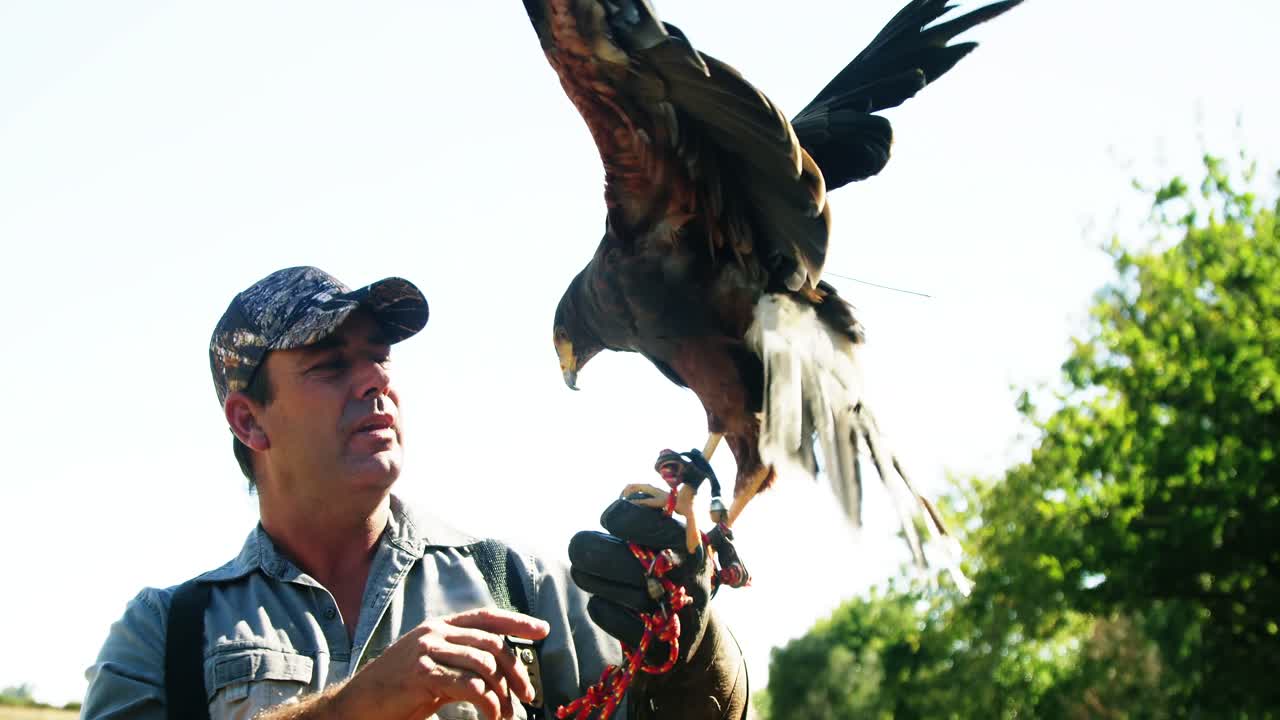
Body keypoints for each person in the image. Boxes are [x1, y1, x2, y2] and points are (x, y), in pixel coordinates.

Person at [81, 266, 748, 719]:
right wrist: (354, 709)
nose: (374, 380)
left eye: (380, 355)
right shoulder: (168, 634)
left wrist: (689, 648)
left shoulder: (521, 589)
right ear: (248, 419)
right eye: (331, 363)